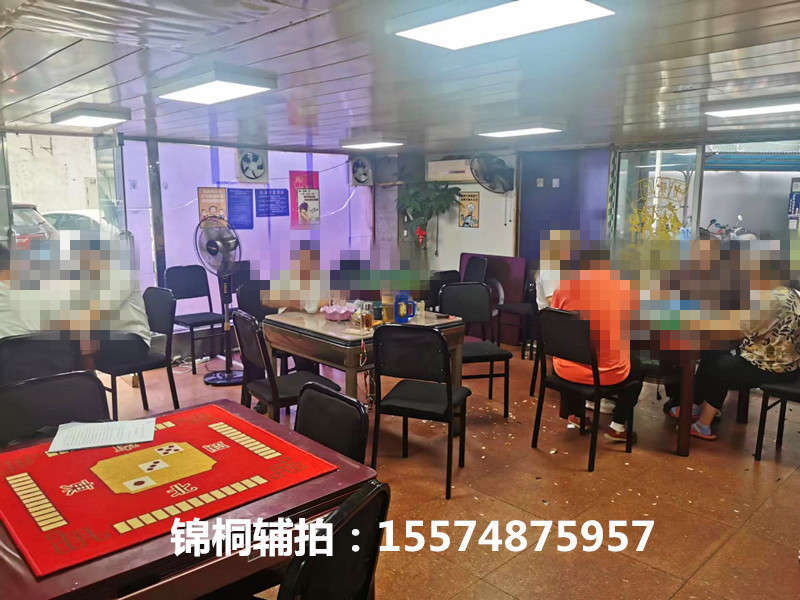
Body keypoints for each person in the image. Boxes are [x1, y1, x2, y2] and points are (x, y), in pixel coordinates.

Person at [550, 243, 642, 442]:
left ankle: (576, 414)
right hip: (605, 374)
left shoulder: (563, 288)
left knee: (574, 352)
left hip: (564, 369)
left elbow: (556, 324)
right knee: (637, 366)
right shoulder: (621, 287)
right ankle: (618, 426)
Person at [688, 280, 800, 440]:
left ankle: (702, 425)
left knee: (719, 364)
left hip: (769, 367)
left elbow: (741, 330)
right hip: (789, 368)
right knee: (717, 354)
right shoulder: (794, 295)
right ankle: (701, 407)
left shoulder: (773, 298)